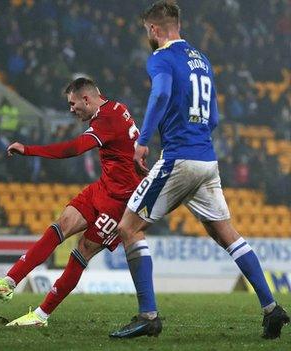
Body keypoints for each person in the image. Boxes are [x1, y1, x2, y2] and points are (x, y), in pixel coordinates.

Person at [109, 1, 289, 339]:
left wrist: (143, 140)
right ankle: (271, 307)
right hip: (207, 160)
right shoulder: (202, 60)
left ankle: (148, 315)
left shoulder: (161, 58)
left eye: (147, 30)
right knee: (226, 234)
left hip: (179, 159)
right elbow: (216, 118)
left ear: (154, 29)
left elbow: (160, 94)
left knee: (128, 228)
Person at [0, 77, 142, 326]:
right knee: (62, 224)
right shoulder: (115, 108)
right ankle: (9, 282)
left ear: (87, 99)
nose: (71, 109)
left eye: (73, 104)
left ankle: (41, 316)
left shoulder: (107, 118)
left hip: (121, 201)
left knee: (83, 250)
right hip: (103, 187)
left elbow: (73, 149)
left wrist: (30, 150)